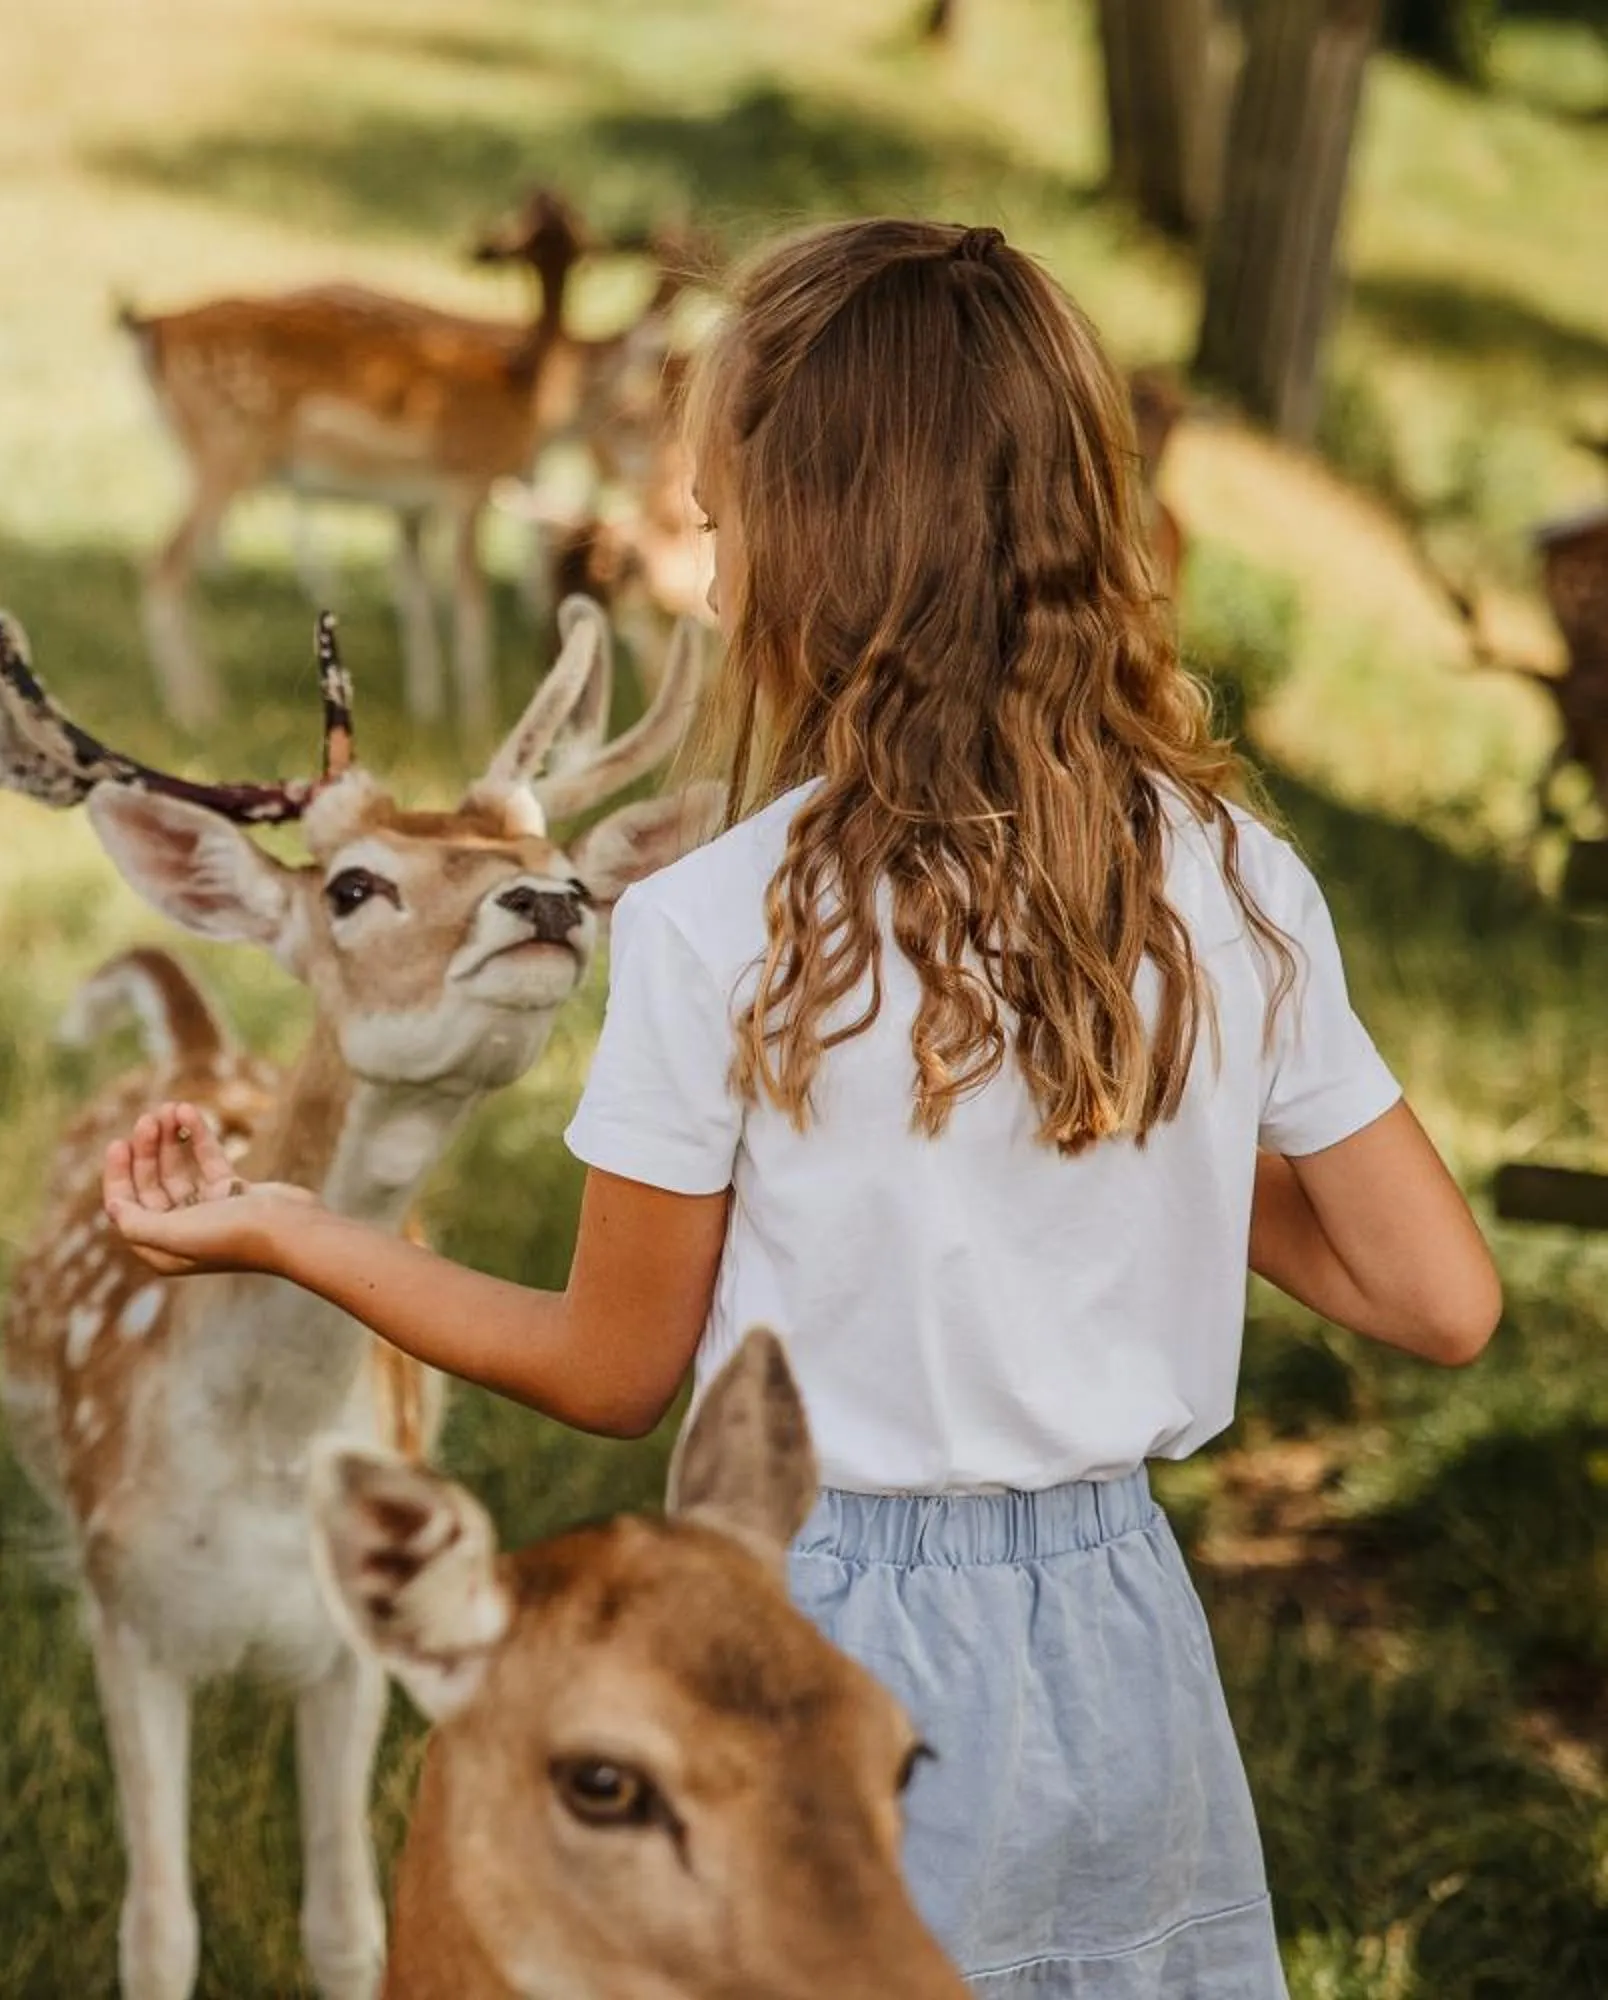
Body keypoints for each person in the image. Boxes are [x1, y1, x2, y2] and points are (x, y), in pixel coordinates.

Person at [96, 217, 1501, 1997]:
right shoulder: (1229, 880)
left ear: (817, 547)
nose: (708, 559)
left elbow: (614, 1374)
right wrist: (1127, 1101)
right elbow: (1437, 1301)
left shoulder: (719, 927)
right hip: (1126, 1653)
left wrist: (293, 1229)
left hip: (826, 1664)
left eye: (720, 516)